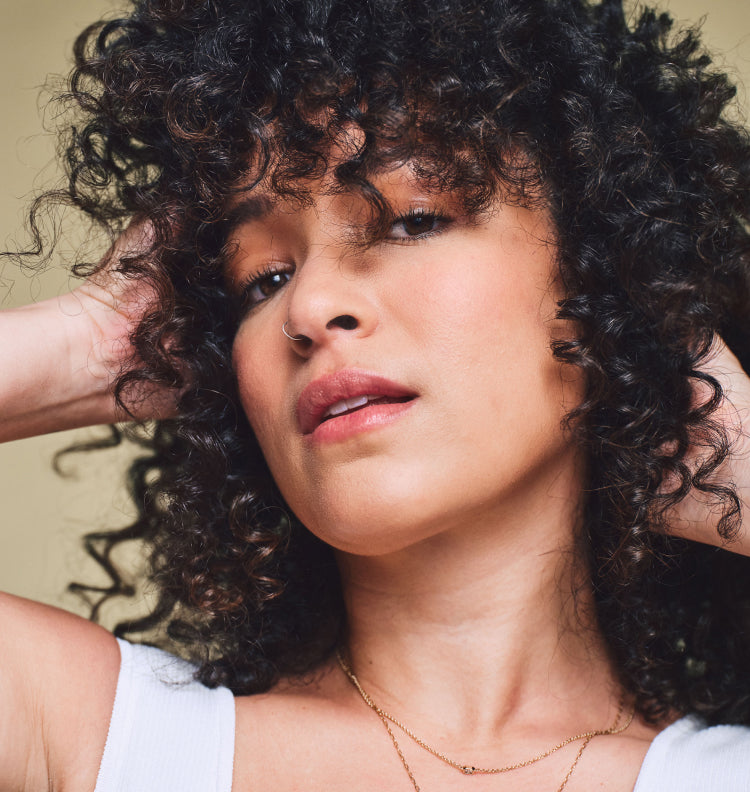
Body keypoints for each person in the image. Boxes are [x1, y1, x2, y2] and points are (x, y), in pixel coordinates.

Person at [1, 0, 750, 790]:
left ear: (602, 276)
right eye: (263, 280)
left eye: (415, 220)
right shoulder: (103, 738)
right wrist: (96, 346)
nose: (310, 307)